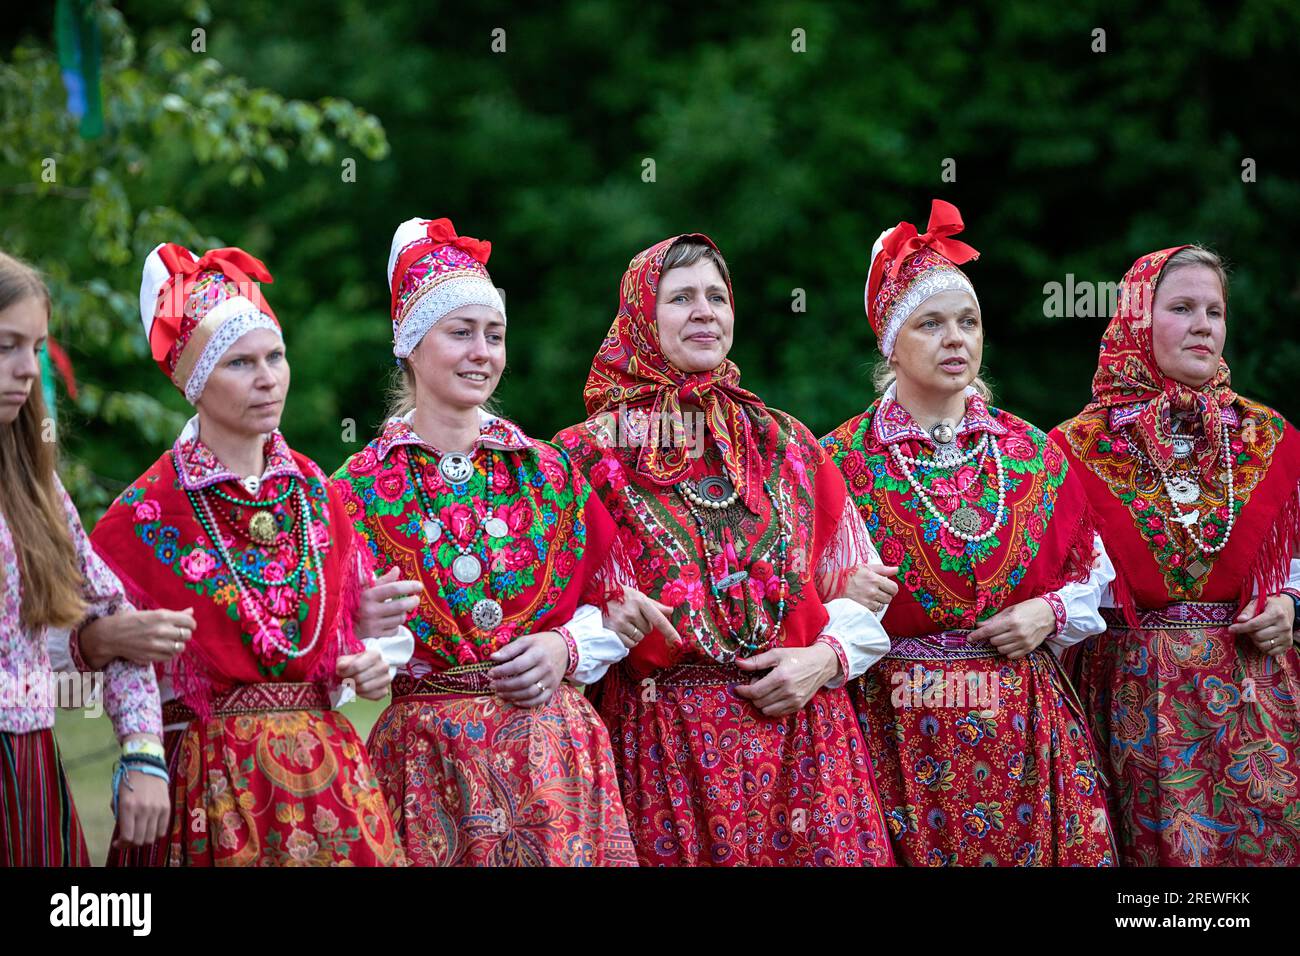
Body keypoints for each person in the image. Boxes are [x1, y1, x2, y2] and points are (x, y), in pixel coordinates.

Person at [555, 233, 896, 866]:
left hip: (804, 734)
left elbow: (860, 590)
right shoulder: (588, 455)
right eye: (680, 297)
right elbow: (563, 613)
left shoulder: (785, 442)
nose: (704, 311)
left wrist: (821, 661)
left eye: (717, 296)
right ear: (641, 315)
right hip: (665, 744)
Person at [87, 242, 406, 866]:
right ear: (196, 385)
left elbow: (327, 645)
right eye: (240, 364)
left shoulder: (317, 492)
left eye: (276, 356)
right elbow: (87, 646)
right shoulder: (146, 511)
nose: (268, 378)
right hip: (212, 778)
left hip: (329, 779)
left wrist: (365, 663)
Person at [820, 200, 1116, 866]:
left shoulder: (1034, 454)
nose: (956, 338)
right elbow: (796, 591)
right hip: (898, 731)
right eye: (930, 323)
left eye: (968, 321)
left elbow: (1092, 571)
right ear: (891, 342)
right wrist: (837, 585)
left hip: (1025, 727)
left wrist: (1048, 610)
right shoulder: (836, 462)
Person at [333, 217, 636, 866]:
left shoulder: (545, 472)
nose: (482, 352)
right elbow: (325, 648)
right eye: (461, 333)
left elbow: (617, 604)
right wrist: (357, 626)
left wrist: (566, 645)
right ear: (411, 345)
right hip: (429, 761)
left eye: (494, 336)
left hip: (551, 756)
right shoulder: (355, 489)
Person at [1052, 245, 1300, 866]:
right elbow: (1059, 576)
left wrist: (1290, 604)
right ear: (1137, 319)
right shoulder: (1073, 447)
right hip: (1131, 691)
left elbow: (1292, 558)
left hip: (1254, 690)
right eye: (1182, 307)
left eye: (1215, 311)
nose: (1203, 326)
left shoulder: (1267, 437)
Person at [0, 250, 170, 865]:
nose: (25, 370)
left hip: (28, 770)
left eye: (36, 348)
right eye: (5, 347)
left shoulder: (35, 487)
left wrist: (144, 751)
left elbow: (115, 623)